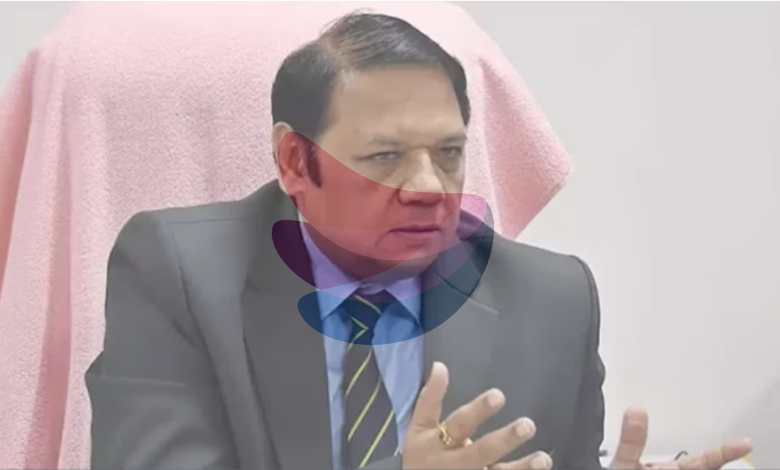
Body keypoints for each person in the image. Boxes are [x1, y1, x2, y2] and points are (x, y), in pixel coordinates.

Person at [85, 12, 751, 470]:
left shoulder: (553, 300)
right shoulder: (180, 273)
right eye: (385, 157)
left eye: (449, 153)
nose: (429, 186)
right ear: (295, 161)